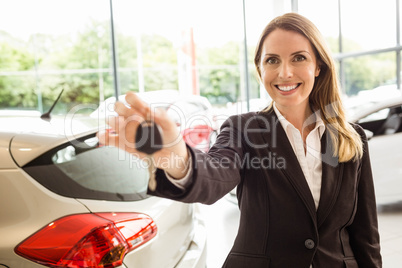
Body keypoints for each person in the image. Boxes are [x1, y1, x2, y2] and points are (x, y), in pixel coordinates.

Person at [98, 13, 382, 268]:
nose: (285, 72)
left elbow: (365, 234)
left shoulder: (351, 137)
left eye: (299, 58)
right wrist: (176, 156)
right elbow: (214, 176)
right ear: (260, 70)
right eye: (272, 60)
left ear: (318, 66)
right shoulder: (243, 129)